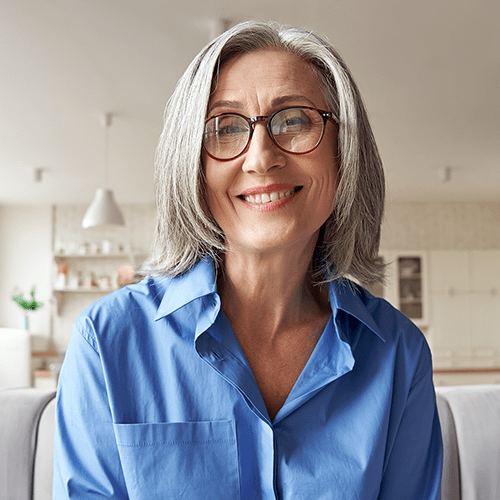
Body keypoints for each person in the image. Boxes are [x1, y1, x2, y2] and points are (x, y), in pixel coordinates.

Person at [53, 20, 442, 499]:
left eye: (295, 120)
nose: (260, 157)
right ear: (191, 164)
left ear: (345, 151)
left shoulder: (399, 355)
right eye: (224, 127)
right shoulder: (107, 342)